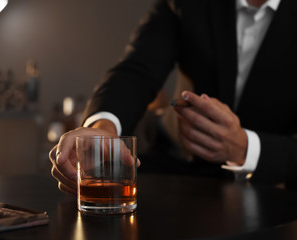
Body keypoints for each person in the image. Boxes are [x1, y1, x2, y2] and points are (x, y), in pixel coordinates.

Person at [50, 0, 297, 194]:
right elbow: (137, 70)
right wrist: (102, 127)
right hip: (177, 169)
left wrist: (247, 149)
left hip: (275, 187)